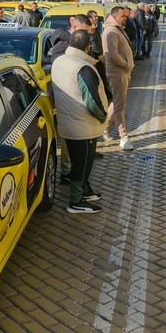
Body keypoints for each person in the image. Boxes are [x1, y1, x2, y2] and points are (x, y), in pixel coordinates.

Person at [52, 30, 108, 214]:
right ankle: (76, 201)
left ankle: (84, 190)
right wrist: (103, 116)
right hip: (83, 125)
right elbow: (92, 100)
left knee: (79, 161)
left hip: (69, 121)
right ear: (88, 47)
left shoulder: (59, 61)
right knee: (82, 163)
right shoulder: (83, 67)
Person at [102, 6, 135, 150]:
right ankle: (123, 137)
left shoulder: (116, 29)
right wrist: (127, 65)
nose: (126, 18)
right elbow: (111, 55)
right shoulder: (110, 31)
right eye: (123, 16)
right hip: (118, 72)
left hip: (122, 72)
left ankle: (104, 128)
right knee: (119, 106)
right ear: (115, 17)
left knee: (116, 103)